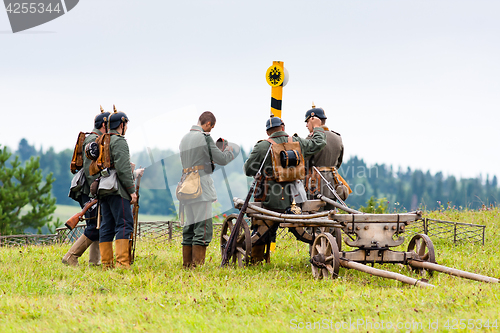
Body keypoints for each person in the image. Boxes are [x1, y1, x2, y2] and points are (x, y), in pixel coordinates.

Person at [243, 115, 326, 262]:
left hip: (270, 200)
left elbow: (248, 170)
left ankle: (256, 259)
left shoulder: (262, 146)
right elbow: (319, 142)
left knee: (259, 224)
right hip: (297, 199)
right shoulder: (297, 142)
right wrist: (318, 127)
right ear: (283, 127)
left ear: (268, 132)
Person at [179, 111, 238, 268]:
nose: (210, 130)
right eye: (211, 127)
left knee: (189, 226)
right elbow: (222, 159)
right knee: (202, 227)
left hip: (186, 186)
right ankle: (197, 267)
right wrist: (230, 151)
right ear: (207, 124)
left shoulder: (184, 138)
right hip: (201, 188)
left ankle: (187, 265)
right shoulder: (204, 138)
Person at [63, 108, 110, 266]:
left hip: (90, 189)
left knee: (98, 224)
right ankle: (70, 256)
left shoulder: (95, 138)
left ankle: (94, 263)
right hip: (89, 189)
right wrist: (97, 193)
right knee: (93, 225)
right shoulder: (94, 140)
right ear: (104, 124)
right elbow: (91, 172)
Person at [98, 106, 141, 269]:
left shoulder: (103, 140)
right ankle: (123, 264)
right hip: (117, 189)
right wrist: (131, 191)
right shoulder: (119, 142)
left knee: (107, 225)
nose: (127, 128)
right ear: (121, 125)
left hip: (103, 187)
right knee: (124, 223)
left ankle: (106, 264)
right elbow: (123, 169)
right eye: (126, 125)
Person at [304, 105, 349, 210]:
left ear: (313, 120)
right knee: (331, 215)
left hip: (314, 184)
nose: (306, 125)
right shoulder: (337, 138)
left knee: (313, 217)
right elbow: (338, 162)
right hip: (333, 183)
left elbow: (305, 162)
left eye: (307, 122)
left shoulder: (311, 139)